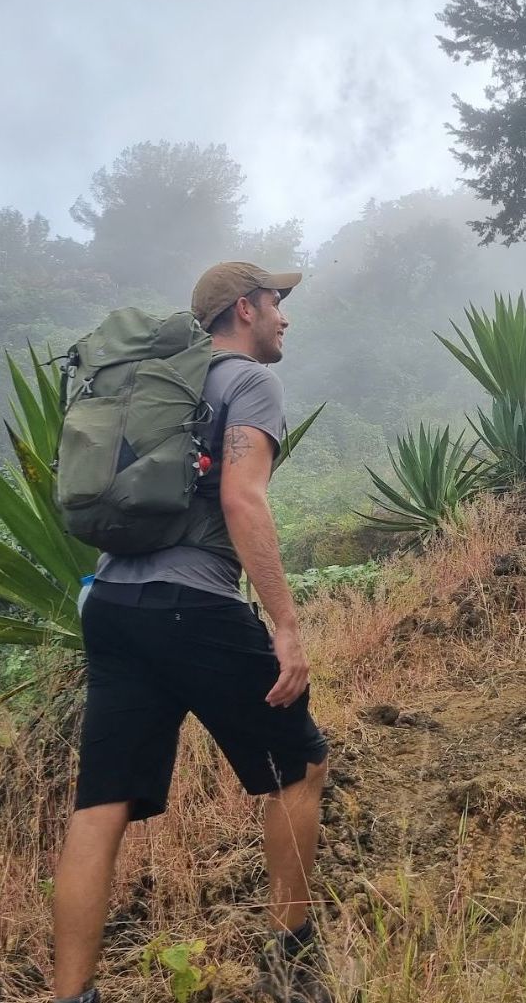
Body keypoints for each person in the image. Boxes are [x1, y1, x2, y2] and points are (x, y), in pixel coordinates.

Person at [52, 262, 332, 1003]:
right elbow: (243, 500)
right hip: (193, 603)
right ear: (244, 308)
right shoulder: (248, 381)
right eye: (277, 303)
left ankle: (71, 994)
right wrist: (285, 622)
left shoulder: (147, 382)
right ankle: (292, 961)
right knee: (297, 769)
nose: (284, 318)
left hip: (111, 602)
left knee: (100, 803)